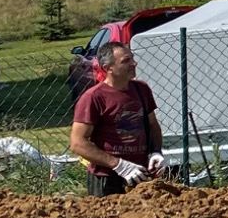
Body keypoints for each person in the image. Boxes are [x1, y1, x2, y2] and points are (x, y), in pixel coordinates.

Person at [69, 42, 166, 196]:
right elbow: (77, 143)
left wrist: (156, 152)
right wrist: (119, 165)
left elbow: (153, 125)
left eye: (132, 58)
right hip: (107, 178)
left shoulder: (141, 89)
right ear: (108, 68)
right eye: (126, 61)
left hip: (140, 174)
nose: (134, 63)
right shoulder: (93, 98)